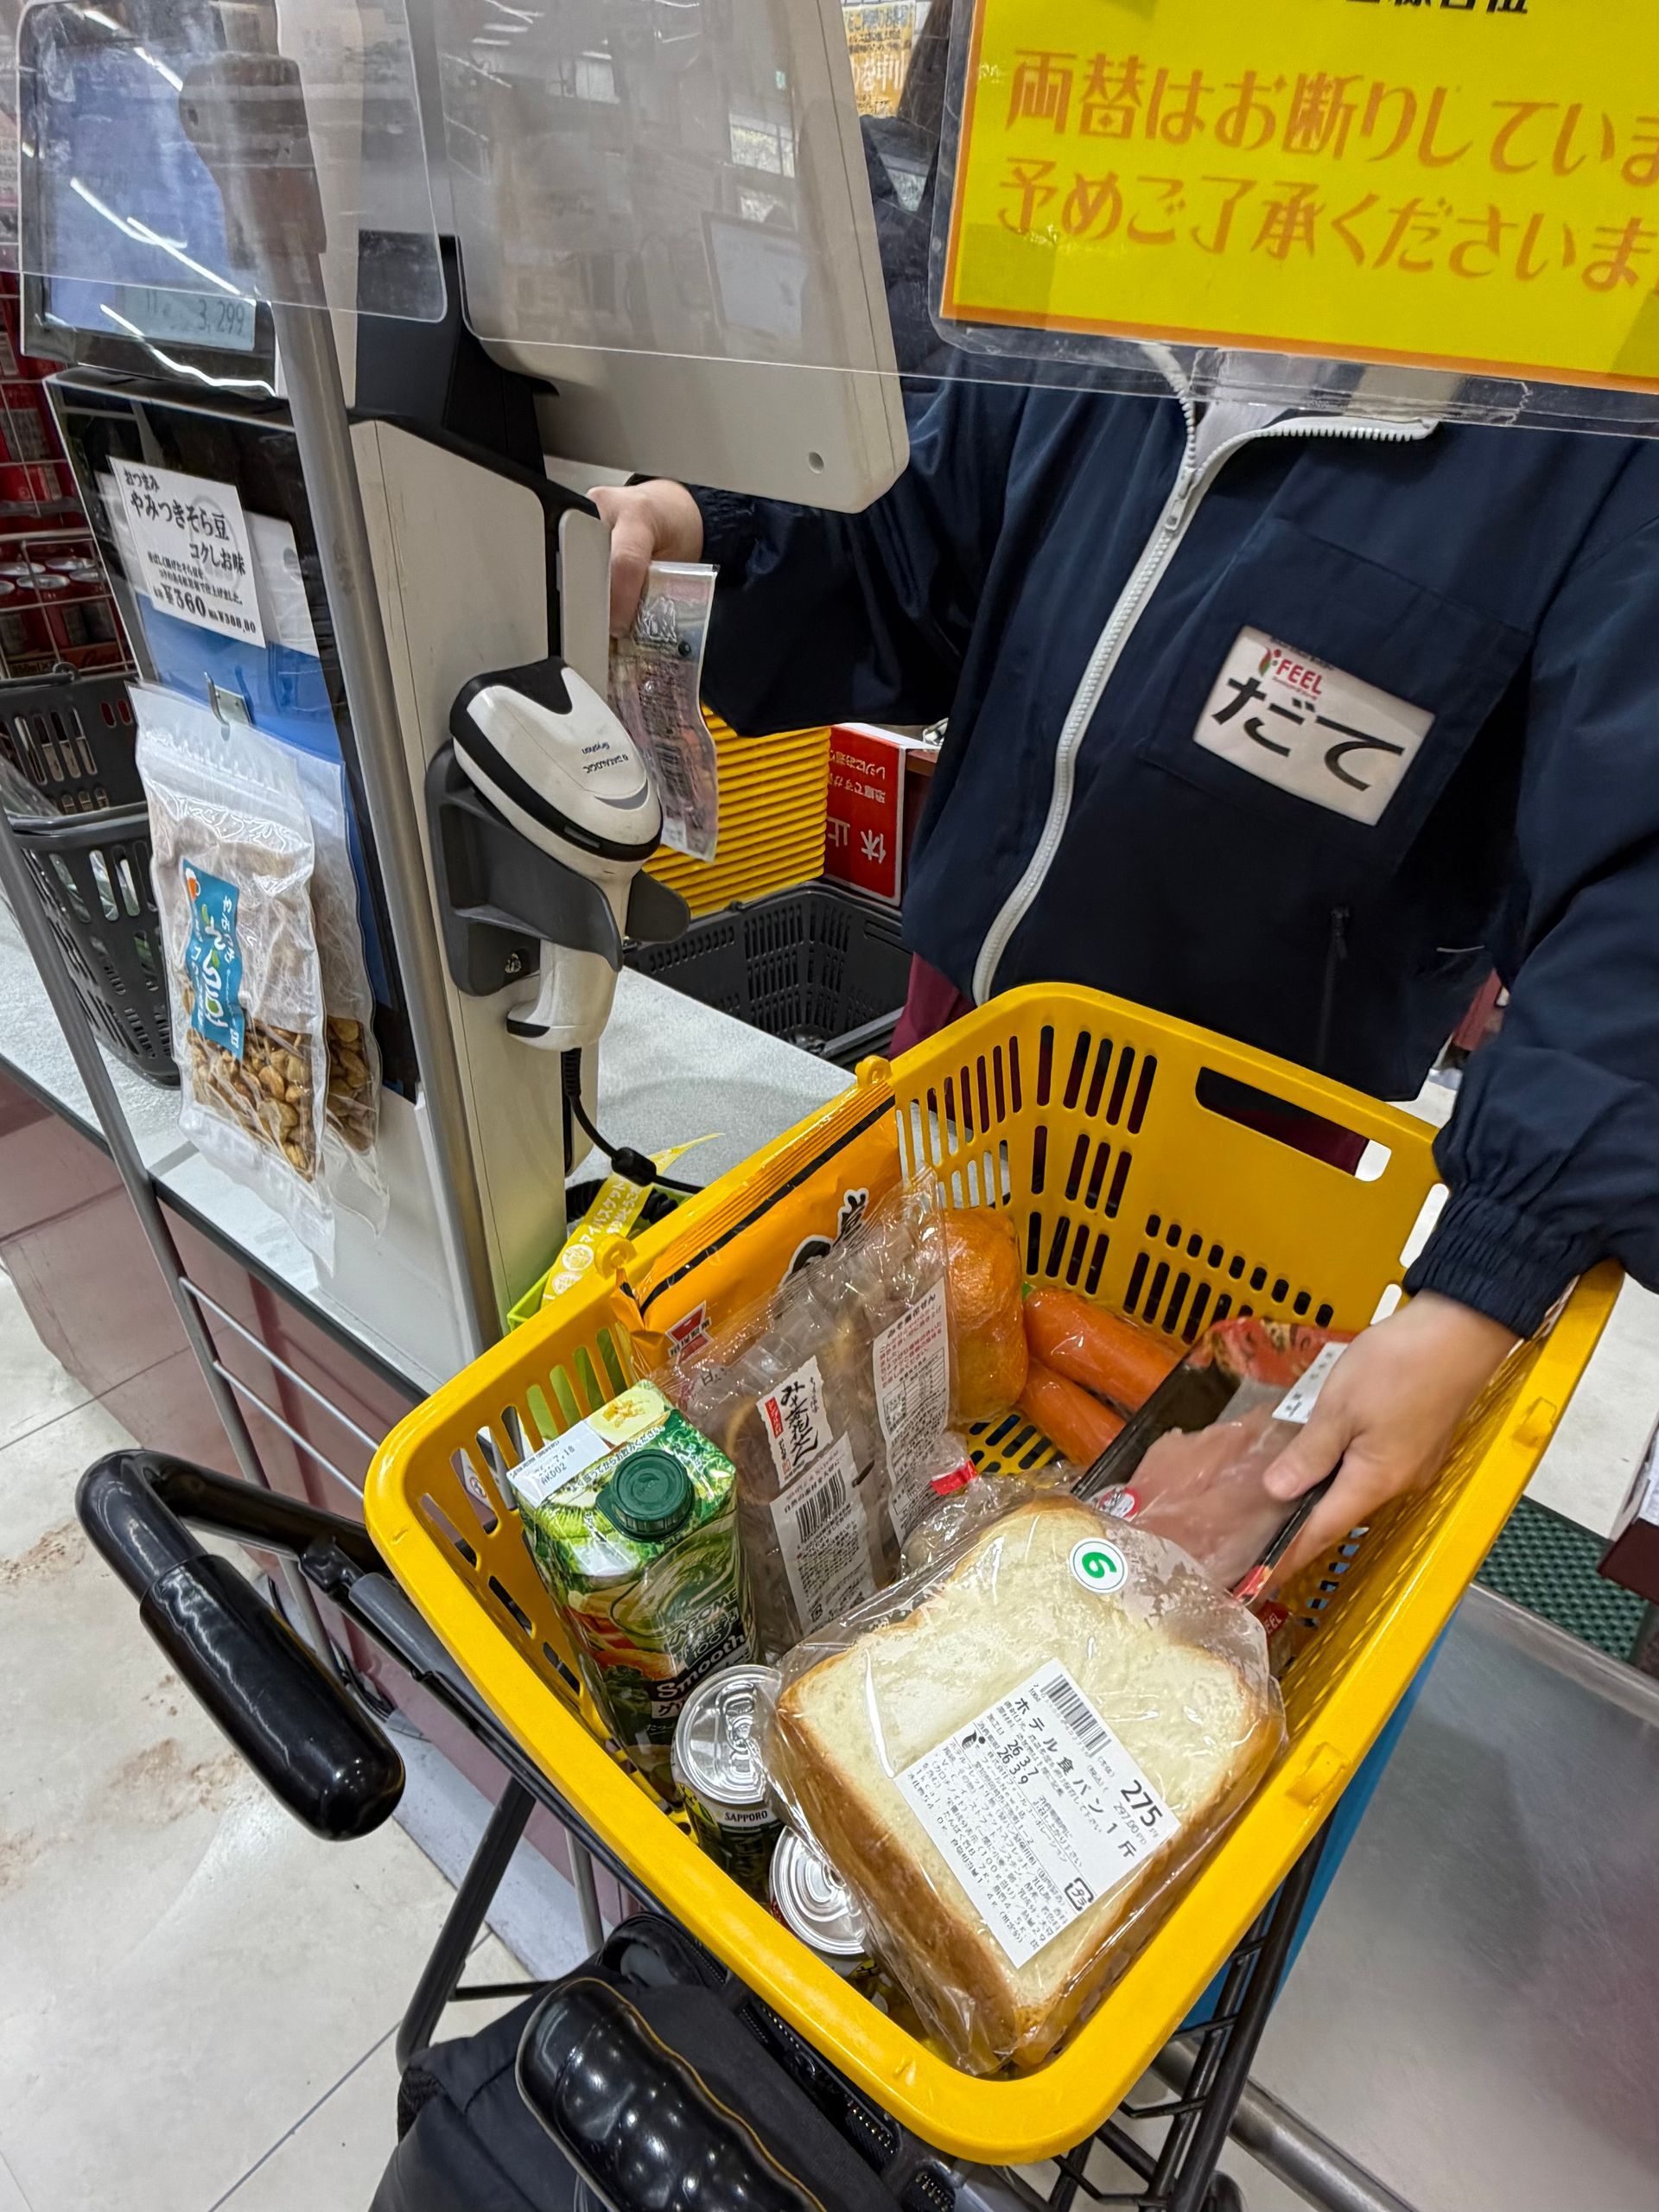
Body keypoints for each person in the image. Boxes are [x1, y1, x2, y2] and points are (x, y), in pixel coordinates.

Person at [594, 353, 1659, 1581]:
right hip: (962, 1031)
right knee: (893, 1393)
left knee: (1167, 1532)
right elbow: (910, 566)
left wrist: (1484, 1282)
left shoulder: (1595, 421)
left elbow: (1634, 883)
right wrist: (698, 534)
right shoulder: (1111, 287)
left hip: (1247, 1121)